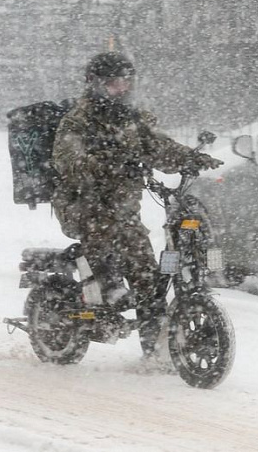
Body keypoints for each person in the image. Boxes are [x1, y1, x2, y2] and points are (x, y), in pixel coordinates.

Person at [51, 51, 222, 355]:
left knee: (148, 279)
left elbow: (157, 146)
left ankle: (154, 351)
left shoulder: (132, 117)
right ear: (95, 83)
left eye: (127, 82)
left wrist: (189, 158)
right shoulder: (78, 120)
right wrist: (110, 164)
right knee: (106, 252)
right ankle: (108, 292)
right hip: (85, 206)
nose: (123, 89)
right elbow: (69, 161)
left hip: (124, 213)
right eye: (115, 83)